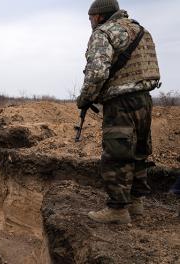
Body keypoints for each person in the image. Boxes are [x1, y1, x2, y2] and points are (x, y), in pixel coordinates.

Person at [76, 0, 161, 224]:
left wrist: (85, 98)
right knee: (139, 152)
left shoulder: (103, 33)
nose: (90, 23)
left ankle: (117, 210)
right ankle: (136, 203)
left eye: (91, 18)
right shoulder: (141, 31)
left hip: (120, 104)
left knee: (116, 154)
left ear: (100, 17)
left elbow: (96, 74)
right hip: (144, 100)